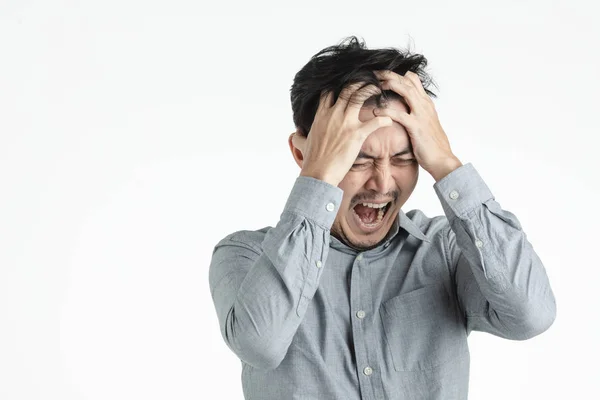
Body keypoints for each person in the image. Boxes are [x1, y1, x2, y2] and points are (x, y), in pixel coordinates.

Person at [208, 36, 556, 400]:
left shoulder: (448, 248)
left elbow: (531, 314)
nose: (383, 182)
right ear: (301, 153)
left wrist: (446, 163)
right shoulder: (245, 255)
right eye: (357, 159)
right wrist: (319, 179)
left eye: (405, 159)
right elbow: (260, 344)